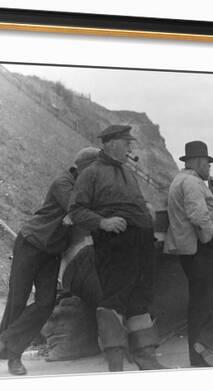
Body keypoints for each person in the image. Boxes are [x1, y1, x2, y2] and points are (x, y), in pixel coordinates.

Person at [0, 147, 100, 376]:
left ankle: (1, 341)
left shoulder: (83, 186)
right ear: (85, 168)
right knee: (18, 299)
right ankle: (13, 358)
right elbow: (78, 211)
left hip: (52, 251)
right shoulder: (62, 183)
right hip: (31, 244)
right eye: (96, 170)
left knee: (45, 303)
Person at [68, 125, 166, 372]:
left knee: (141, 297)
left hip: (141, 242)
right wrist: (103, 222)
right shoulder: (91, 173)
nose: (131, 148)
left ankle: (145, 356)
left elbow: (134, 201)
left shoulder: (127, 172)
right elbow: (76, 210)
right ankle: (115, 362)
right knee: (115, 298)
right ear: (111, 144)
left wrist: (145, 208)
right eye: (126, 143)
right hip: (115, 244)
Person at [164, 140, 213, 367]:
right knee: (207, 299)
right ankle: (202, 348)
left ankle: (202, 351)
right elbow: (198, 215)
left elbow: (202, 208)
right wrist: (209, 237)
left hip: (197, 249)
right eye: (207, 163)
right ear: (198, 162)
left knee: (208, 298)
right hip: (202, 249)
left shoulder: (185, 181)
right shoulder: (191, 182)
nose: (209, 168)